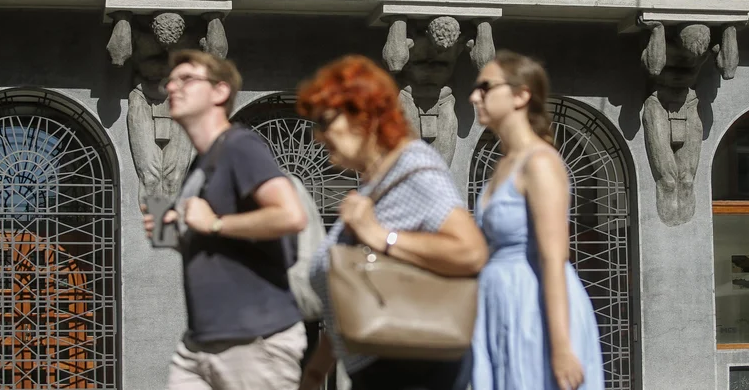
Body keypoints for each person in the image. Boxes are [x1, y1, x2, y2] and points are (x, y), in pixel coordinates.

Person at [295, 55, 489, 390]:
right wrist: (317, 369)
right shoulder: (376, 184)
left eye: (325, 121)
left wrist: (379, 235)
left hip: (413, 369)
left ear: (365, 116)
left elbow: (471, 251)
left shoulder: (412, 165)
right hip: (378, 368)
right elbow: (356, 293)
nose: (317, 136)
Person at [141, 49, 309, 390]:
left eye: (187, 79)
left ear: (220, 92)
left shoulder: (240, 145)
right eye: (170, 81)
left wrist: (215, 224)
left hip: (252, 340)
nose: (173, 87)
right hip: (200, 343)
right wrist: (178, 235)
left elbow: (291, 215)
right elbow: (219, 245)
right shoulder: (203, 165)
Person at [467, 50, 604, 390]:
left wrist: (561, 347)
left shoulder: (541, 162)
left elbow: (553, 258)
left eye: (485, 87)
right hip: (499, 306)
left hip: (533, 308)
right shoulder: (502, 164)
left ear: (520, 95)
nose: (474, 96)